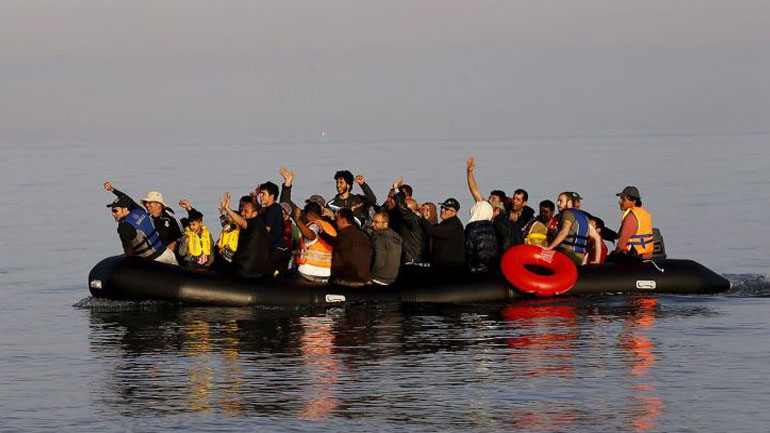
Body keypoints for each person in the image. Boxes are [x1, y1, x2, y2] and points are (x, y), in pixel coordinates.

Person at [104, 181, 183, 253]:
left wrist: (168, 252)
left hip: (171, 252)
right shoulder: (145, 215)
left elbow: (181, 237)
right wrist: (112, 190)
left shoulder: (169, 217)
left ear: (159, 204)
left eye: (150, 202)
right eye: (145, 202)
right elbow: (128, 200)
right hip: (155, 251)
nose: (146, 205)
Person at [105, 195, 178, 265]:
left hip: (154, 261)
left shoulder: (124, 227)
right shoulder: (140, 210)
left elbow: (129, 253)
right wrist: (113, 190)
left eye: (115, 211)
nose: (113, 214)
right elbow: (130, 200)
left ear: (125, 209)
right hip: (167, 254)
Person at [317, 208, 371, 286]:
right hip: (362, 279)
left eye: (336, 219)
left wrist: (322, 233)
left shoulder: (345, 234)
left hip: (347, 279)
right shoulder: (364, 236)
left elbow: (336, 243)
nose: (336, 222)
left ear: (343, 220)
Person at [545, 192, 602, 266]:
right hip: (580, 257)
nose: (557, 204)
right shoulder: (585, 217)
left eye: (560, 201)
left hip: (567, 254)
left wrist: (549, 248)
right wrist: (596, 261)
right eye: (557, 201)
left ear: (569, 202)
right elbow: (597, 237)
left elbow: (564, 231)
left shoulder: (567, 213)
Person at [220, 191, 269, 278]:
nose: (242, 213)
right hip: (256, 269)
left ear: (254, 214)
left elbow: (243, 223)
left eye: (246, 211)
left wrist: (228, 209)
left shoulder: (254, 223)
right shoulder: (260, 224)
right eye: (242, 210)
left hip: (246, 269)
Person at [464, 157, 498, 272]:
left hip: (474, 228)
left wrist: (469, 173)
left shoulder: (484, 205)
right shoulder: (492, 220)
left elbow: (473, 189)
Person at [291, 201, 337, 283]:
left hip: (308, 272)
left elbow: (311, 236)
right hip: (326, 273)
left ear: (309, 214)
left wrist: (298, 221)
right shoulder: (331, 228)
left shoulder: (314, 225)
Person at [257, 181, 291, 277]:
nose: (261, 196)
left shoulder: (272, 209)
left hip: (275, 250)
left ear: (271, 196)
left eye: (263, 194)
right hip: (280, 249)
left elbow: (265, 231)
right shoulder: (273, 208)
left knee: (266, 276)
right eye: (260, 194)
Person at [392, 178, 429, 266]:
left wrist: (396, 190)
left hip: (412, 260)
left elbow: (403, 209)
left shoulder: (413, 220)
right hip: (416, 258)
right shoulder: (419, 219)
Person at [611, 186, 654, 260]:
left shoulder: (631, 217)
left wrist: (614, 254)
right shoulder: (644, 213)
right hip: (647, 254)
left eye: (623, 199)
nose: (619, 201)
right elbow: (619, 235)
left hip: (634, 256)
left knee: (610, 257)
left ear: (633, 201)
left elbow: (622, 243)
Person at [423, 198, 465, 270]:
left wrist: (422, 218)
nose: (442, 210)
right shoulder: (447, 223)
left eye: (446, 209)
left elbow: (431, 231)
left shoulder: (453, 225)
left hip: (450, 268)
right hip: (445, 266)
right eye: (442, 207)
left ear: (454, 212)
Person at [177, 199, 214, 268]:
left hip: (205, 263)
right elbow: (181, 253)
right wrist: (185, 243)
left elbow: (211, 248)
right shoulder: (186, 235)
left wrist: (211, 260)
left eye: (194, 224)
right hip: (191, 262)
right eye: (190, 224)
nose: (191, 227)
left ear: (200, 223)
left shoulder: (207, 234)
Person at [369, 211, 403, 285]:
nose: (372, 224)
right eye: (372, 221)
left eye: (376, 222)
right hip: (392, 277)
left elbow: (379, 260)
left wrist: (370, 276)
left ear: (385, 223)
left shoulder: (380, 238)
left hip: (378, 278)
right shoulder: (394, 237)